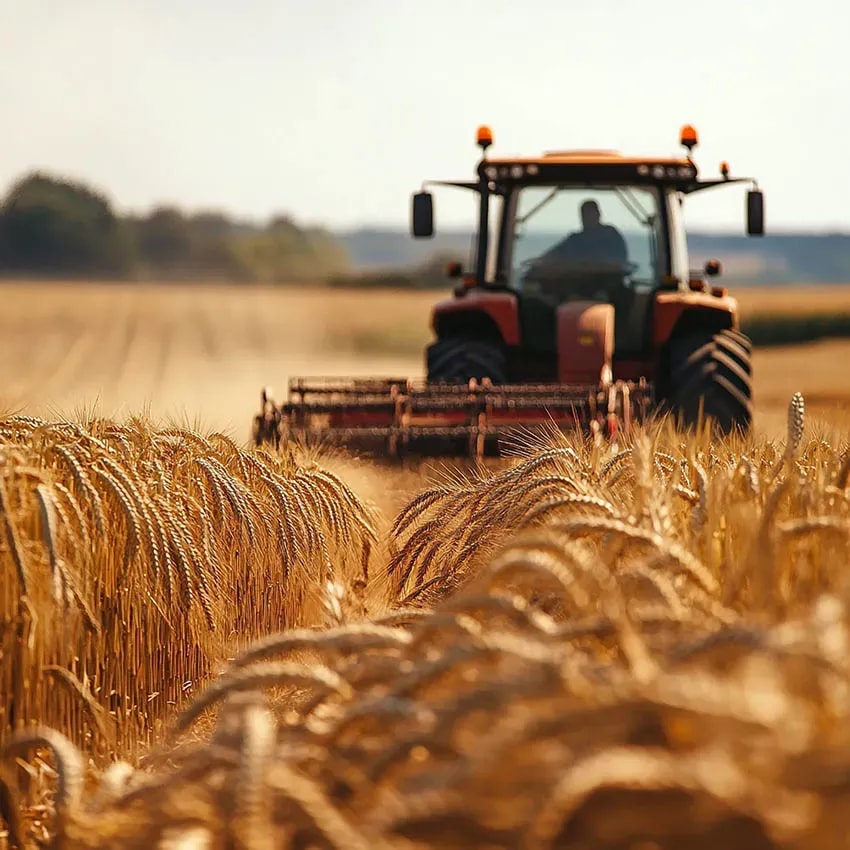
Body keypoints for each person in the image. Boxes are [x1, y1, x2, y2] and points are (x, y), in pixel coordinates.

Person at [543, 199, 628, 266]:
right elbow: (555, 253)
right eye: (584, 215)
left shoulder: (610, 234)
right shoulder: (575, 239)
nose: (587, 218)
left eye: (590, 214)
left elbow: (619, 260)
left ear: (598, 215)